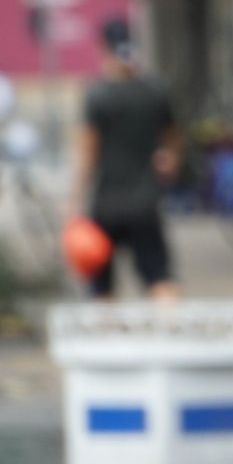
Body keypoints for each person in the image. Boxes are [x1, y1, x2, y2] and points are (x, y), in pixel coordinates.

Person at [70, 17, 181, 301]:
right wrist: (169, 162)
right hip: (145, 203)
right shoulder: (154, 91)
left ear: (103, 49)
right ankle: (174, 337)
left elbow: (87, 154)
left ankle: (108, 343)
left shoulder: (98, 95)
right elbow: (173, 141)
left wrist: (74, 203)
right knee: (159, 278)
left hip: (106, 204)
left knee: (102, 288)